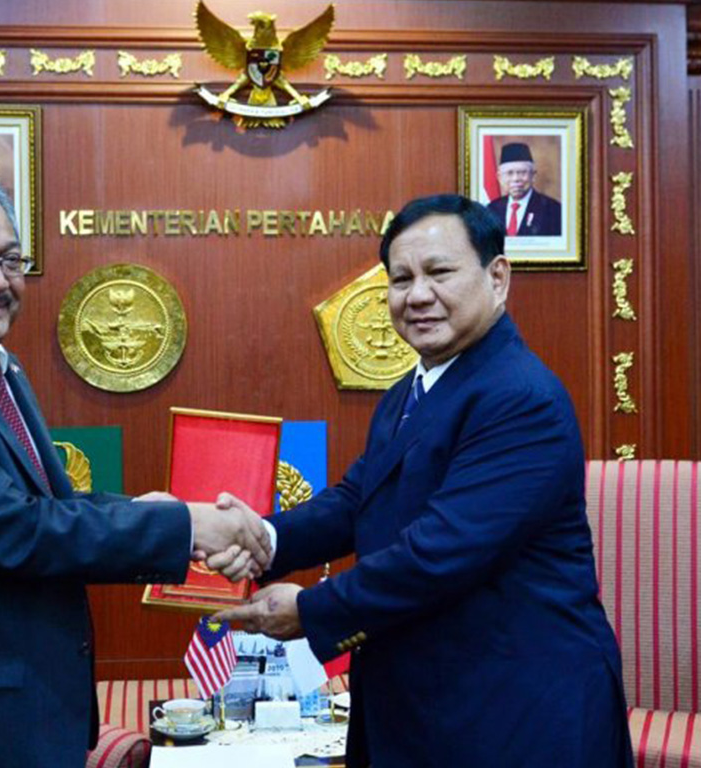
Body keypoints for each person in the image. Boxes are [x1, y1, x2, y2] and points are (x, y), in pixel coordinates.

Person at [0, 169, 268, 767]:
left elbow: (40, 508)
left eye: (10, 260)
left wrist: (150, 513)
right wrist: (186, 527)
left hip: (5, 715)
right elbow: (17, 531)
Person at [217, 194, 634, 767]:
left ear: (497, 277)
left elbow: (441, 551)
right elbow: (358, 500)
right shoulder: (408, 393)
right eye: (401, 278)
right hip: (423, 702)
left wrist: (312, 610)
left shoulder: (521, 398)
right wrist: (263, 538)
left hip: (514, 711)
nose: (417, 295)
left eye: (439, 273)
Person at [486, 141, 562, 236]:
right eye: (509, 173)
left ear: (533, 176)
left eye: (522, 172)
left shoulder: (553, 210)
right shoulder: (491, 209)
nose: (516, 179)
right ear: (499, 177)